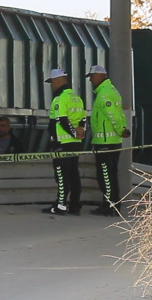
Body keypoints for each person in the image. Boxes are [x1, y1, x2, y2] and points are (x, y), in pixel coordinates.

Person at [86, 65, 131, 217]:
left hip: (105, 141)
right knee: (111, 174)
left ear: (100, 75)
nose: (91, 80)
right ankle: (114, 204)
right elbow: (120, 114)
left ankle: (108, 205)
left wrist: (120, 129)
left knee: (105, 174)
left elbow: (112, 115)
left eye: (92, 76)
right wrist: (122, 129)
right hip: (112, 140)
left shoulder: (104, 94)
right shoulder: (112, 91)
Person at [41, 68, 86, 216]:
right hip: (75, 144)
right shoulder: (77, 97)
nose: (51, 85)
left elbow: (61, 120)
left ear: (59, 80)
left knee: (61, 175)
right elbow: (83, 119)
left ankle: (60, 206)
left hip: (61, 143)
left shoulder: (60, 98)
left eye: (52, 82)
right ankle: (75, 205)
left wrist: (72, 133)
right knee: (74, 174)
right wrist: (80, 133)